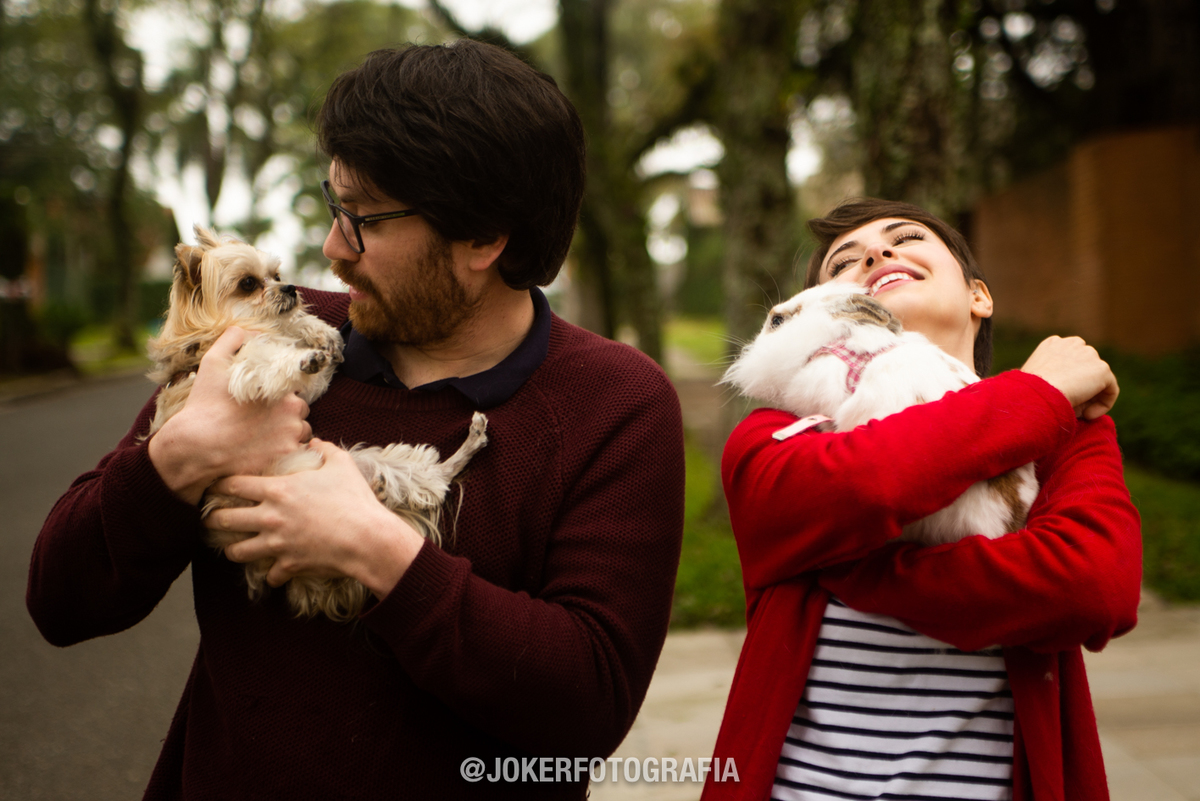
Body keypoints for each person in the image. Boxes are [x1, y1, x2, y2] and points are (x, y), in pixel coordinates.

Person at [28, 40, 685, 799]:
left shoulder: (617, 405)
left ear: (484, 236)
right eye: (335, 206)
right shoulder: (268, 339)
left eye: (365, 218)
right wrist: (176, 458)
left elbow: (591, 704)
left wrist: (379, 553)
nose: (332, 247)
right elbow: (60, 602)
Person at [702, 198, 1140, 801]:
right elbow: (868, 484)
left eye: (906, 237)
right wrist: (1034, 394)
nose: (877, 254)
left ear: (978, 296)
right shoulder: (773, 433)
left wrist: (860, 571)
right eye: (843, 264)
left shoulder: (1068, 432)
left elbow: (1092, 588)